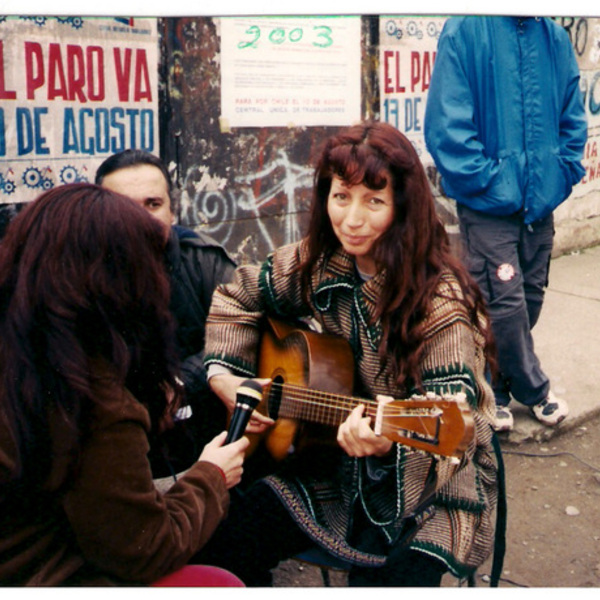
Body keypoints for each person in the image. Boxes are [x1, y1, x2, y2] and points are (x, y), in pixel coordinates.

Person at [193, 122, 499, 586]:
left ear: (402, 207)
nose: (352, 219)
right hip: (338, 465)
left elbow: (454, 422)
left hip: (435, 488)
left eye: (373, 201)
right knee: (223, 538)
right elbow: (236, 297)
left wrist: (383, 443)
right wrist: (225, 380)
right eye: (341, 197)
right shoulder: (321, 259)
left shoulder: (441, 305)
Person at [0, 183, 249, 586]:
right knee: (220, 583)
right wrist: (211, 477)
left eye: (155, 202)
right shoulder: (89, 396)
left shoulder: (26, 343)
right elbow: (143, 549)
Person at [424, 16, 587, 432]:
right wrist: (491, 182)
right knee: (505, 302)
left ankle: (493, 385)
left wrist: (562, 171)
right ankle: (534, 389)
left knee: (529, 297)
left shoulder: (554, 37)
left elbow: (572, 117)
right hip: (488, 204)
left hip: (541, 201)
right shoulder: (465, 30)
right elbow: (447, 126)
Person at [95, 150, 236, 480]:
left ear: (173, 211)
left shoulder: (202, 262)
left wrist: (183, 380)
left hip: (208, 453)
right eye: (124, 207)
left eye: (153, 204)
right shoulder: (78, 277)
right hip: (124, 466)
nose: (141, 219)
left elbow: (247, 328)